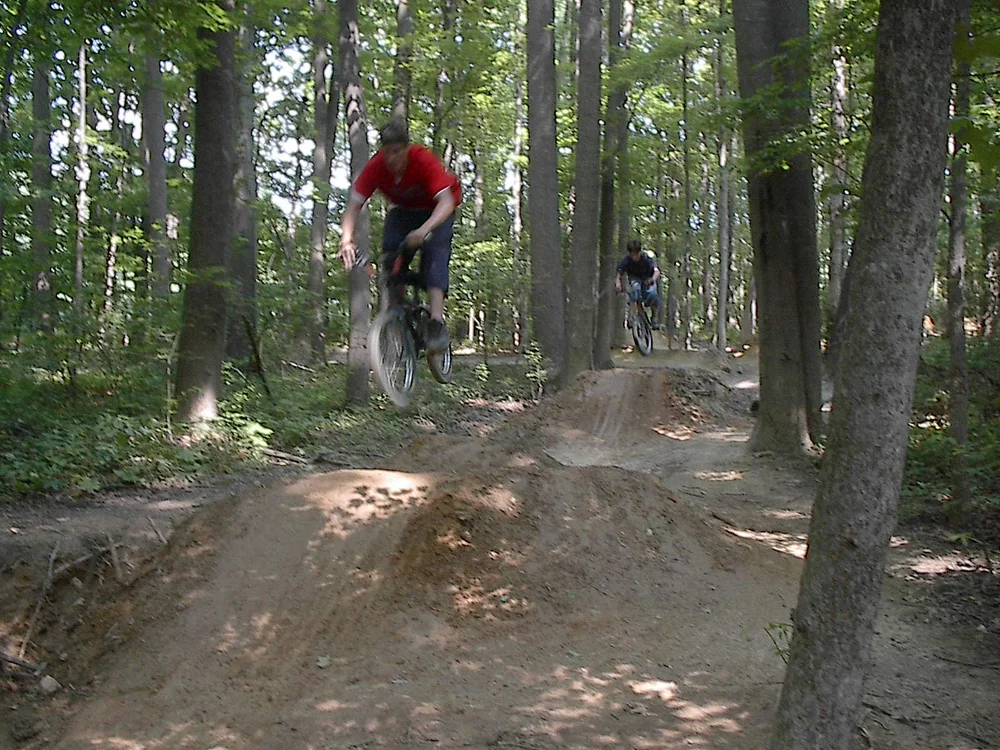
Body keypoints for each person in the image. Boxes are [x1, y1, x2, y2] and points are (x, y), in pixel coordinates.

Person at [338, 119, 461, 353]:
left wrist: (424, 230)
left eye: (397, 152)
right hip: (403, 210)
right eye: (387, 153)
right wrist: (346, 241)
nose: (392, 159)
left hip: (436, 210)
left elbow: (446, 202)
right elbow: (353, 206)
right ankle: (398, 311)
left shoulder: (423, 160)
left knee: (435, 252)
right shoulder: (376, 167)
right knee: (391, 252)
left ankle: (436, 322)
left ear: (407, 149)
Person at [615, 238, 661, 326]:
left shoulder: (646, 258)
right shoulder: (626, 260)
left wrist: (652, 279)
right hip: (635, 279)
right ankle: (631, 317)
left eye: (636, 254)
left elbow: (657, 271)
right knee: (634, 291)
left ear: (640, 252)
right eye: (632, 254)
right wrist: (618, 283)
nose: (634, 257)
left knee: (653, 295)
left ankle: (654, 317)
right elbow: (619, 273)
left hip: (648, 279)